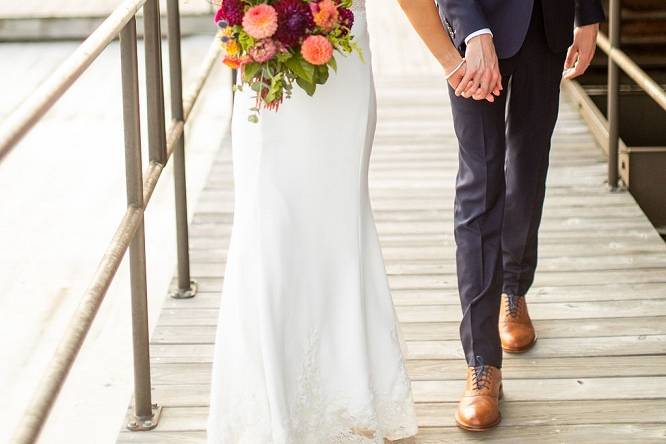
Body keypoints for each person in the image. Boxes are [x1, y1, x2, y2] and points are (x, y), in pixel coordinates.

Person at [205, 0, 497, 441]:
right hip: (264, 63)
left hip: (341, 63)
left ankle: (350, 394)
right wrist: (245, 24)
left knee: (340, 227)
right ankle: (270, 402)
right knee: (267, 225)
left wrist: (450, 62)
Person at [398, 0, 604, 431]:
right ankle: (481, 365)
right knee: (481, 183)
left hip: (547, 26)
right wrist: (471, 29)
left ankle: (514, 287)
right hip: (476, 23)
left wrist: (587, 13)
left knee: (529, 169)